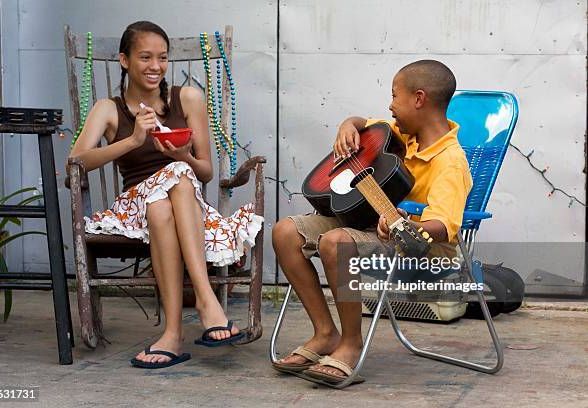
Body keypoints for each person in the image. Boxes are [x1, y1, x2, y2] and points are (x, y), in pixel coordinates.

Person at [68, 21, 263, 369]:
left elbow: (205, 171)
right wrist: (130, 141)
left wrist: (182, 156)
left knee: (174, 186)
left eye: (162, 57)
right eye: (145, 57)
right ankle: (207, 299)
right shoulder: (108, 109)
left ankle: (172, 334)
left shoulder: (187, 98)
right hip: (133, 207)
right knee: (166, 189)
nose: (155, 66)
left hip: (183, 206)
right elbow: (75, 165)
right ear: (124, 60)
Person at [271, 60, 472, 385]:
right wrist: (347, 126)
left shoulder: (451, 162)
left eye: (395, 96)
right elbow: (363, 122)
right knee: (285, 232)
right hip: (368, 226)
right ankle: (325, 333)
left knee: (336, 242)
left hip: (419, 248)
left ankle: (351, 344)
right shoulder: (402, 134)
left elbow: (443, 225)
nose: (390, 106)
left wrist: (405, 223)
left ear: (419, 99)